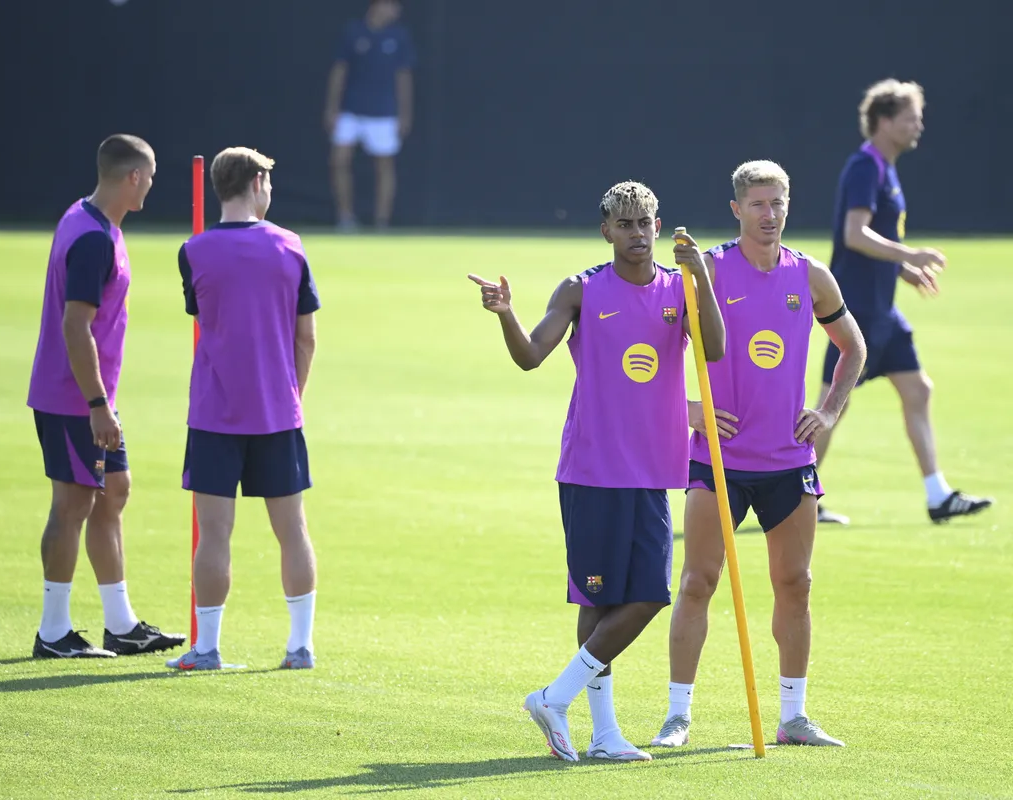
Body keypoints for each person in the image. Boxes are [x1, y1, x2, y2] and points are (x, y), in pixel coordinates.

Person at [468, 182, 725, 762]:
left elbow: (713, 349)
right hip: (593, 467)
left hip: (653, 470)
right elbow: (531, 355)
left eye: (645, 223)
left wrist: (702, 279)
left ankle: (557, 698)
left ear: (658, 226)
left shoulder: (679, 287)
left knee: (650, 595)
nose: (637, 234)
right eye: (625, 224)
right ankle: (603, 732)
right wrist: (506, 314)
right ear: (606, 230)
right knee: (598, 600)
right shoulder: (581, 289)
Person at [650, 161, 866, 750]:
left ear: (788, 206)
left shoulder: (810, 275)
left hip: (788, 462)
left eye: (778, 204)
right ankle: (677, 717)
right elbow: (655, 345)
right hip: (717, 461)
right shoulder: (709, 270)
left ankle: (794, 717)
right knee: (698, 581)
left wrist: (828, 412)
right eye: (757, 204)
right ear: (737, 209)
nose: (769, 215)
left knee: (796, 583)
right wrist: (688, 410)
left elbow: (853, 347)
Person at [26, 134, 184, 659]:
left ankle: (121, 624)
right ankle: (53, 633)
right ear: (133, 177)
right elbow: (76, 326)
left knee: (113, 491)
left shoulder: (89, 219)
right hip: (74, 397)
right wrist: (96, 405)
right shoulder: (93, 238)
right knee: (73, 504)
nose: (151, 186)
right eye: (150, 177)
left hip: (93, 397)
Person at [166, 147, 321, 672]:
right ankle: (300, 647)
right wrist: (291, 395)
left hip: (214, 413)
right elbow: (306, 338)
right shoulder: (290, 246)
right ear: (256, 182)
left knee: (214, 533)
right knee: (292, 530)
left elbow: (204, 316)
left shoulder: (194, 251)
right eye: (269, 182)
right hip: (277, 412)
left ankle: (208, 647)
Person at [815, 79, 992, 526]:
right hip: (854, 312)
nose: (919, 126)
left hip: (883, 313)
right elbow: (855, 234)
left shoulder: (885, 169)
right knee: (833, 404)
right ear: (884, 121)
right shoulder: (865, 167)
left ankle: (938, 495)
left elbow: (874, 240)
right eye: (911, 118)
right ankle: (795, 494)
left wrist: (902, 271)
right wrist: (909, 254)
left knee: (918, 390)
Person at [323, 0, 416, 232]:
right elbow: (340, 71)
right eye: (391, 5)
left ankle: (381, 222)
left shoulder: (399, 36)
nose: (396, 11)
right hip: (350, 110)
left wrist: (404, 113)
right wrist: (332, 107)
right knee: (339, 161)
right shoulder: (353, 32)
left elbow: (404, 77)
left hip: (384, 112)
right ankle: (345, 217)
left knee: (384, 166)